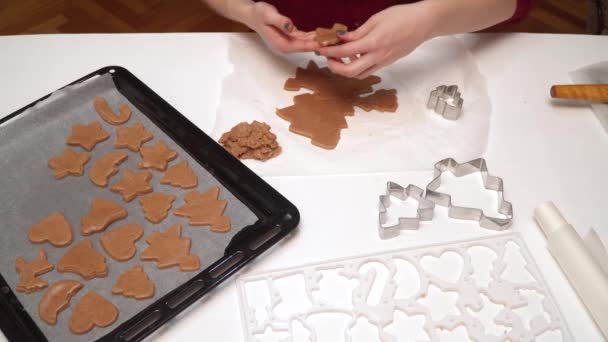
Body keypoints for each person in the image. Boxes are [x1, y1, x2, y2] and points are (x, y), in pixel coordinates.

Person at [203, 0, 532, 79]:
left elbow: (514, 3)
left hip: (428, 65)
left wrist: (432, 18)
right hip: (272, 67)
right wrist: (247, 11)